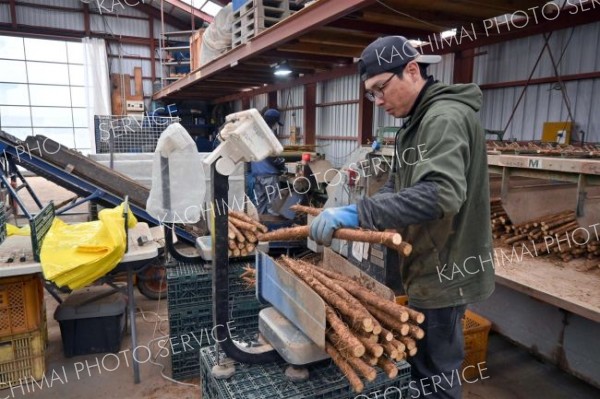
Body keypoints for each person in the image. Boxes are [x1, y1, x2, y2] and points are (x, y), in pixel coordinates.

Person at [310, 36, 495, 398]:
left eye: (381, 89)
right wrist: (360, 212)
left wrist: (357, 211)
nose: (378, 101)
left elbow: (441, 194)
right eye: (371, 95)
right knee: (425, 365)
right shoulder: (417, 121)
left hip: (447, 267)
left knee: (436, 371)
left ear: (411, 70)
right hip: (430, 260)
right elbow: (399, 181)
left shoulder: (444, 118)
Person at [249, 108, 286, 215]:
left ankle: (259, 225)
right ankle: (272, 228)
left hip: (257, 173)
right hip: (268, 174)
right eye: (276, 123)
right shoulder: (268, 134)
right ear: (274, 122)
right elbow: (271, 155)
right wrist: (281, 164)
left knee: (260, 202)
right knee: (273, 203)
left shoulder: (256, 132)